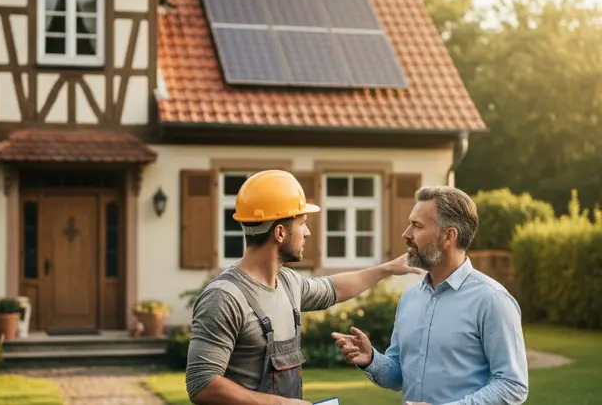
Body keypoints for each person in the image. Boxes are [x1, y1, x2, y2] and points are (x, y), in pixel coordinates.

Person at [185, 170, 424, 405]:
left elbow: (335, 288)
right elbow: (202, 384)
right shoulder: (224, 297)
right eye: (302, 223)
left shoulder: (288, 283)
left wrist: (387, 269)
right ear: (279, 232)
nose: (308, 232)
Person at [332, 185, 529, 405]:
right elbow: (400, 376)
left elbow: (512, 385)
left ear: (448, 236)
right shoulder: (410, 298)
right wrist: (371, 360)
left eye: (417, 226)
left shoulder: (492, 300)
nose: (406, 234)